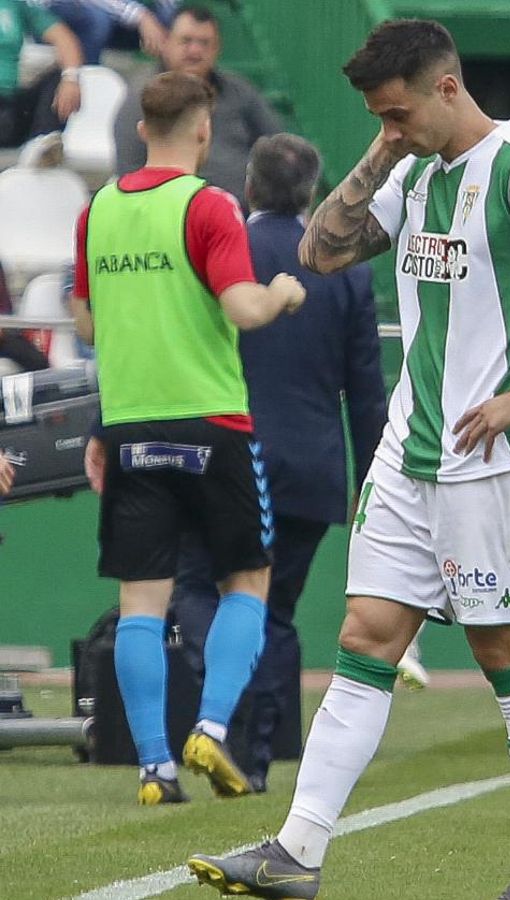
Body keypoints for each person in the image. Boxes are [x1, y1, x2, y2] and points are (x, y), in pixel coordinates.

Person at [185, 18, 510, 900]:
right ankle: (297, 852)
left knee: (508, 648)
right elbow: (320, 250)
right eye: (377, 117)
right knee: (366, 638)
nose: (391, 128)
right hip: (408, 451)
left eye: (398, 113)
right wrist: (383, 151)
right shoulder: (413, 169)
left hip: (492, 454)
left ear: (449, 89)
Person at [70, 70, 306, 805]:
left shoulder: (97, 210)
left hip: (134, 424)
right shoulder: (210, 206)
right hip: (211, 420)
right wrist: (281, 293)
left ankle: (153, 767)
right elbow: (240, 307)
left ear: (141, 129)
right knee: (247, 581)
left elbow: (84, 325)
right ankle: (209, 724)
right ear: (205, 131)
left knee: (143, 600)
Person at [167, 132, 387, 793]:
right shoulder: (346, 271)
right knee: (277, 610)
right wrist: (372, 475)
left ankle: (216, 715)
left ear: (250, 188)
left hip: (223, 452)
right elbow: (367, 389)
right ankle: (259, 758)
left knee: (199, 588)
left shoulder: (218, 250)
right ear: (313, 192)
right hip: (312, 467)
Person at [114, 3, 280, 200]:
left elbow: (276, 143)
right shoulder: (143, 98)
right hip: (172, 213)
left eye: (204, 43)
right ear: (166, 42)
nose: (194, 51)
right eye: (186, 41)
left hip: (243, 211)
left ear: (217, 48)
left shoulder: (239, 91)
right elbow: (129, 171)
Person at [0, 0, 82, 145]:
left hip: (10, 99)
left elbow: (63, 37)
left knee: (58, 74)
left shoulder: (14, 4)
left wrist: (71, 78)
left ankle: (44, 143)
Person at [40, 0, 170, 65]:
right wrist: (141, 16)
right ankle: (86, 81)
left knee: (171, 18)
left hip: (117, 12)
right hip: (55, 9)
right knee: (97, 20)